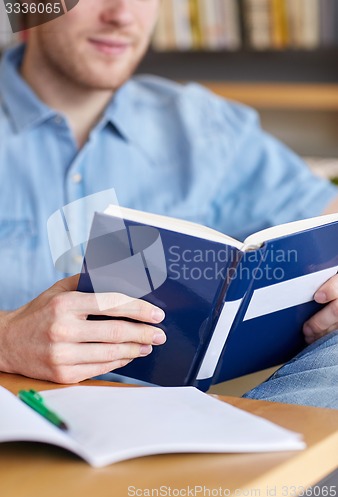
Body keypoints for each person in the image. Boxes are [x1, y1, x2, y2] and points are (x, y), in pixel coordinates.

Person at [0, 0, 337, 407]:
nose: (122, 15)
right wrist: (6, 340)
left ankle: (253, 462)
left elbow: (328, 223)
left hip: (168, 433)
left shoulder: (205, 126)